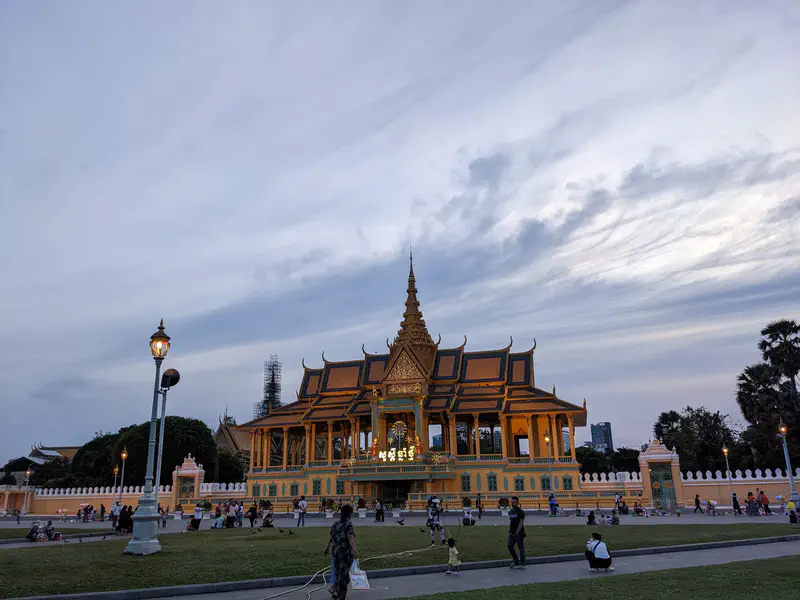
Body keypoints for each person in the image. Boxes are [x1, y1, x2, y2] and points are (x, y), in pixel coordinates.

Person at [325, 504, 358, 600]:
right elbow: (350, 537)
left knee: (338, 572)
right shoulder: (348, 524)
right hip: (345, 553)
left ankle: (335, 589)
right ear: (349, 514)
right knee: (344, 575)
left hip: (335, 552)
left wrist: (327, 546)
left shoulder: (336, 523)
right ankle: (340, 596)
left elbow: (330, 535)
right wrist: (355, 550)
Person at [507, 496, 526, 569]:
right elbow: (512, 522)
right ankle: (516, 561)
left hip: (519, 532)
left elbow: (521, 523)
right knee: (509, 546)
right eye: (512, 502)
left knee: (520, 547)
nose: (513, 503)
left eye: (514, 502)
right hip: (511, 532)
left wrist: (518, 531)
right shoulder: (511, 511)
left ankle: (522, 563)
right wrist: (510, 531)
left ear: (517, 503)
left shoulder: (520, 512)